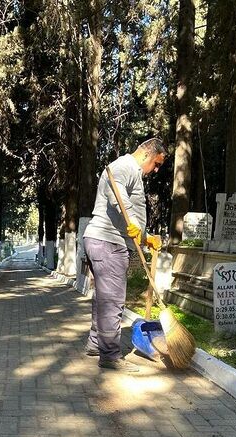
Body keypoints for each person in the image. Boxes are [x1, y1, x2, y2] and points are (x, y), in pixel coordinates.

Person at [82, 138, 166, 373]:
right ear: (148, 155)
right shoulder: (124, 166)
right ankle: (109, 355)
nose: (156, 170)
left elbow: (130, 211)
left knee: (103, 298)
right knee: (112, 300)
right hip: (108, 242)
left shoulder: (133, 172)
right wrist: (131, 222)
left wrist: (144, 236)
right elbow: (116, 191)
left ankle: (95, 344)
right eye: (157, 164)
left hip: (105, 240)